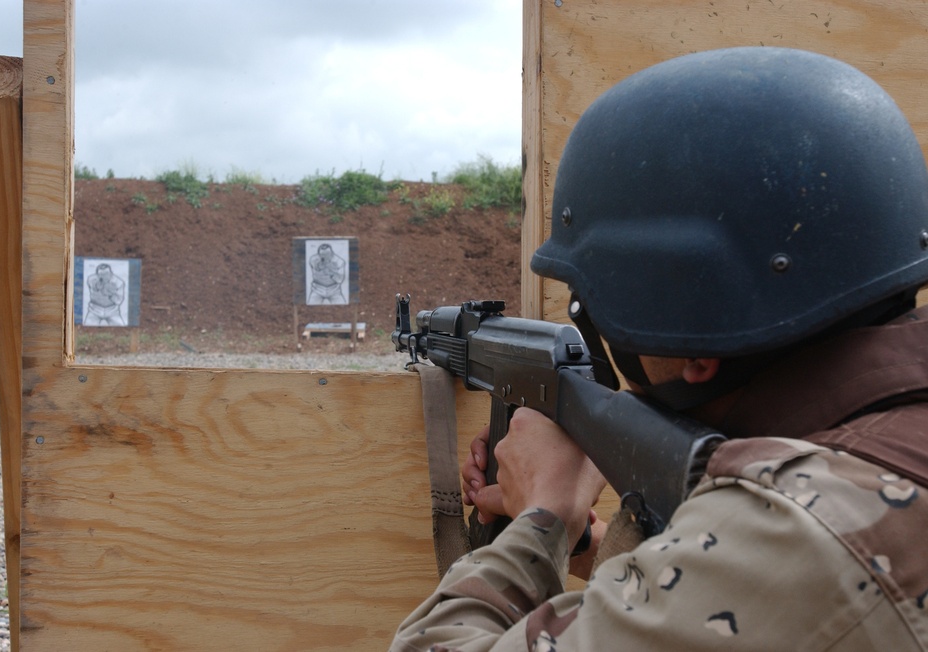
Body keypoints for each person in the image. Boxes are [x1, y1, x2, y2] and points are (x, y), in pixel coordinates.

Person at [392, 47, 928, 650]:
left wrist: (543, 517)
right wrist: (595, 547)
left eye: (591, 299)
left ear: (693, 342)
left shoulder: (807, 534)